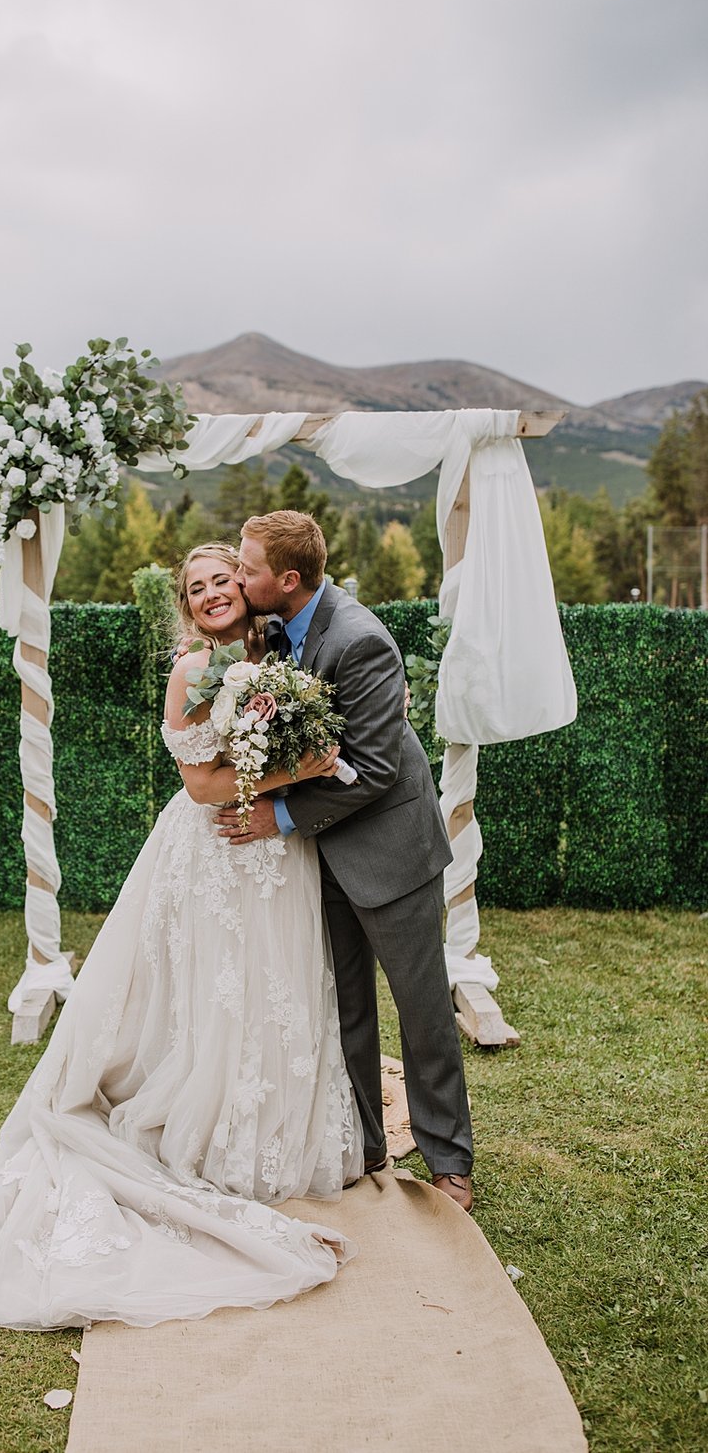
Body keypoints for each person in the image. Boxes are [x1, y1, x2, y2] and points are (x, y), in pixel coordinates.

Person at [0, 542, 365, 1332]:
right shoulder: (191, 672)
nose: (211, 594)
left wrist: (295, 771)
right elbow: (203, 783)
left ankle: (275, 1120)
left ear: (247, 587)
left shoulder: (280, 656)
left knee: (281, 979)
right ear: (187, 605)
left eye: (221, 581)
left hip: (277, 849)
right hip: (214, 850)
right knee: (217, 988)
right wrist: (302, 771)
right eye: (195, 588)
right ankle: (209, 1127)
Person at [215, 511, 474, 1211]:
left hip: (388, 852)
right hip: (318, 860)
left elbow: (381, 768)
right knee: (344, 1009)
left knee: (422, 1015)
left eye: (248, 569)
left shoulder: (360, 641)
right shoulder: (271, 631)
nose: (239, 579)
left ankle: (450, 1161)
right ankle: (363, 1146)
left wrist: (281, 816)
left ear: (289, 579)